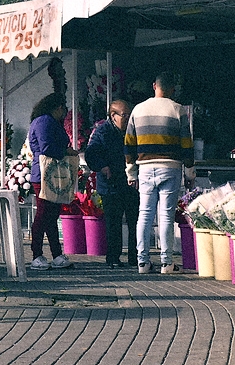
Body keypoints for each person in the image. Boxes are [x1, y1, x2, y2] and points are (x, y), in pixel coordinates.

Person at [125, 74, 194, 274]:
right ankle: (167, 263)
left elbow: (129, 144)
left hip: (145, 167)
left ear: (154, 86)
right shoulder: (178, 109)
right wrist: (189, 172)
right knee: (166, 215)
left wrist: (131, 173)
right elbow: (186, 144)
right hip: (170, 166)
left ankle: (142, 262)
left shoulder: (138, 110)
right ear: (172, 89)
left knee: (144, 215)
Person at [84, 100, 139, 269]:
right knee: (113, 223)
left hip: (131, 183)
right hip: (111, 185)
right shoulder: (102, 131)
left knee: (134, 221)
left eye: (130, 115)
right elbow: (91, 154)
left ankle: (134, 257)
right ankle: (113, 257)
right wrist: (102, 166)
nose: (128, 119)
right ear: (113, 116)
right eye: (124, 115)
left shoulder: (132, 131)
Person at [27, 92, 77, 270]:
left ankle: (56, 254)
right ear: (57, 108)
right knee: (42, 214)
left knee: (51, 215)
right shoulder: (44, 121)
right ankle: (37, 254)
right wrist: (66, 152)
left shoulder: (49, 121)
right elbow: (46, 147)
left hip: (52, 174)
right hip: (43, 175)